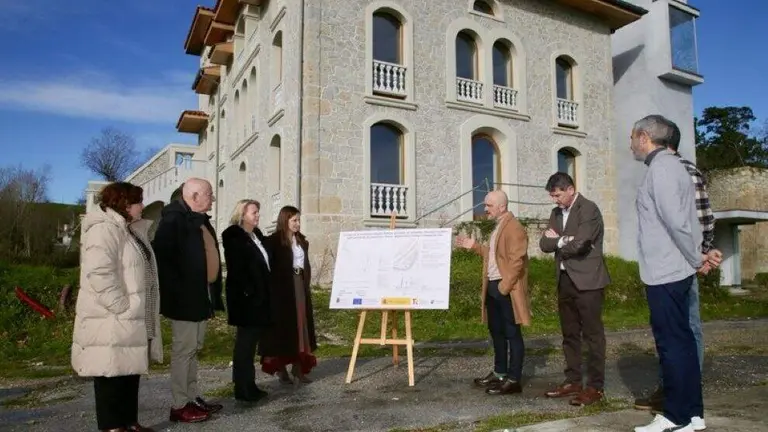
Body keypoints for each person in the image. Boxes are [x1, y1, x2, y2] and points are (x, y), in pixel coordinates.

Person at [633, 118, 723, 430]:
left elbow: (676, 222)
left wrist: (696, 256)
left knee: (671, 345)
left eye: (633, 137)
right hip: (675, 269)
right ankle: (693, 414)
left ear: (644, 137)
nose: (631, 143)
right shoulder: (677, 168)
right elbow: (692, 220)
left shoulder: (662, 168)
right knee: (683, 342)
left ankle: (674, 415)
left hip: (666, 272)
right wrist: (698, 253)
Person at [71, 182, 162, 432]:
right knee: (110, 371)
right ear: (124, 203)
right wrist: (121, 306)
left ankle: (129, 422)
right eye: (138, 201)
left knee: (129, 369)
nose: (143, 206)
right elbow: (99, 272)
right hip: (111, 317)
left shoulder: (130, 230)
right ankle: (112, 426)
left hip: (131, 316)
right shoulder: (104, 230)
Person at [152, 178, 224, 423]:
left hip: (200, 297)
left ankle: (192, 397)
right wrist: (180, 291)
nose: (212, 199)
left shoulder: (199, 221)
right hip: (184, 301)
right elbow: (163, 261)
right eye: (209, 194)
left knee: (194, 350)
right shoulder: (173, 220)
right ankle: (179, 404)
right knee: (183, 351)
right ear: (194, 196)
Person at [539, 172, 611, 406]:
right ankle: (573, 381)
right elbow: (543, 244)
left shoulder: (588, 209)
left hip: (588, 281)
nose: (555, 200)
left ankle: (595, 387)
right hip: (564, 280)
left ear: (570, 189)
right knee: (569, 334)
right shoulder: (555, 213)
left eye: (558, 195)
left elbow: (581, 244)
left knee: (592, 336)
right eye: (552, 196)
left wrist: (558, 241)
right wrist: (563, 240)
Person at [455, 190, 531, 395]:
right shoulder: (499, 225)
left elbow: (517, 261)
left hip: (504, 288)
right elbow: (493, 254)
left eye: (488, 205)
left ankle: (514, 380)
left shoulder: (515, 228)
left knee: (512, 333)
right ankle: (499, 373)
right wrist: (474, 246)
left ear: (502, 206)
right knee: (496, 332)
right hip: (493, 286)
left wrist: (504, 287)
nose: (485, 209)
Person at [259, 205, 318, 383]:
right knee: (283, 329)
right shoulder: (274, 241)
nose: (297, 224)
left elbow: (304, 265)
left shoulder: (301, 241)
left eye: (298, 220)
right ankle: (281, 368)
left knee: (301, 326)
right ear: (285, 220)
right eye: (294, 220)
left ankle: (298, 368)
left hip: (299, 285)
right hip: (282, 290)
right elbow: (268, 267)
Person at [221, 199, 272, 402]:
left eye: (258, 212)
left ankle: (249, 384)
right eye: (253, 212)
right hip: (246, 300)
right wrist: (250, 292)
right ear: (242, 214)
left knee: (250, 345)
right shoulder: (234, 236)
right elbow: (238, 268)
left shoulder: (256, 236)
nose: (257, 215)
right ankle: (242, 388)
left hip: (259, 298)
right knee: (244, 344)